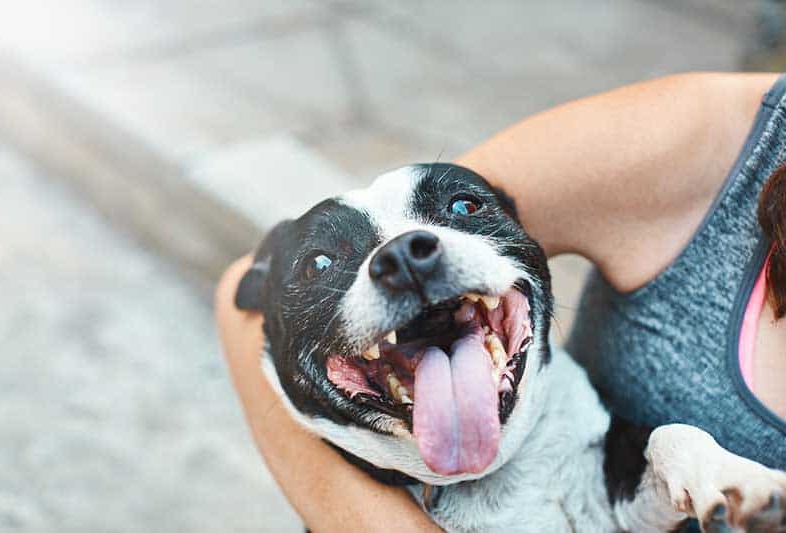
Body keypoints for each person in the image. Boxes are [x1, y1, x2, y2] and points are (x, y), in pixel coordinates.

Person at [215, 72, 786, 532]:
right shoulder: (723, 134)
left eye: (461, 209)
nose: (406, 254)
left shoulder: (587, 428)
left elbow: (630, 498)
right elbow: (235, 289)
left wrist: (693, 462)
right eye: (320, 264)